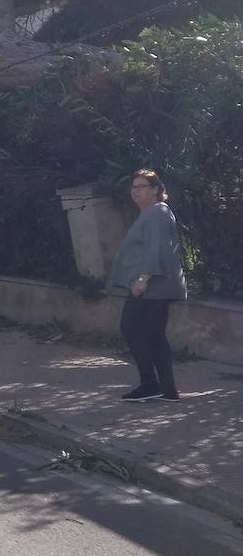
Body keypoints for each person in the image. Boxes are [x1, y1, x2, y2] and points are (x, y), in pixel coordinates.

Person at [108, 169, 187, 402]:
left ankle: (151, 384)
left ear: (155, 189)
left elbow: (156, 249)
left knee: (131, 328)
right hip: (152, 285)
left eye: (142, 186)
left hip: (153, 286)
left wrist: (143, 279)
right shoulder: (150, 213)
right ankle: (166, 389)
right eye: (133, 187)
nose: (136, 191)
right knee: (153, 335)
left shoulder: (157, 212)